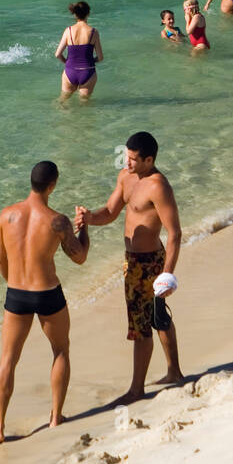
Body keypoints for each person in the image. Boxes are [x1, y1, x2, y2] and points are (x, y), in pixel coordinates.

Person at [75, 131, 183, 404]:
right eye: (127, 157)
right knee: (155, 319)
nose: (128, 163)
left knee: (143, 326)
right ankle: (174, 373)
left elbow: (175, 233)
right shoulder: (125, 177)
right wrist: (88, 217)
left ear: (149, 159)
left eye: (134, 159)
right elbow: (110, 213)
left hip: (152, 264)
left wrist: (167, 274)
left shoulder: (159, 186)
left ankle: (137, 390)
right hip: (132, 263)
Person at [0, 160, 89, 443]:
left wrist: (14, 282)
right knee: (60, 351)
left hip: (16, 294)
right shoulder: (58, 221)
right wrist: (84, 229)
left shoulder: (6, 215)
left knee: (8, 359)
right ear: (52, 185)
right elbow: (80, 257)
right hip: (47, 293)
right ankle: (56, 417)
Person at [55, 0, 103, 100]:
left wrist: (67, 62)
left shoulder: (68, 30)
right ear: (88, 13)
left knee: (62, 101)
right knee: (84, 106)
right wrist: (93, 60)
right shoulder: (94, 32)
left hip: (70, 72)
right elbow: (100, 57)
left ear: (75, 14)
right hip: (87, 72)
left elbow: (58, 54)